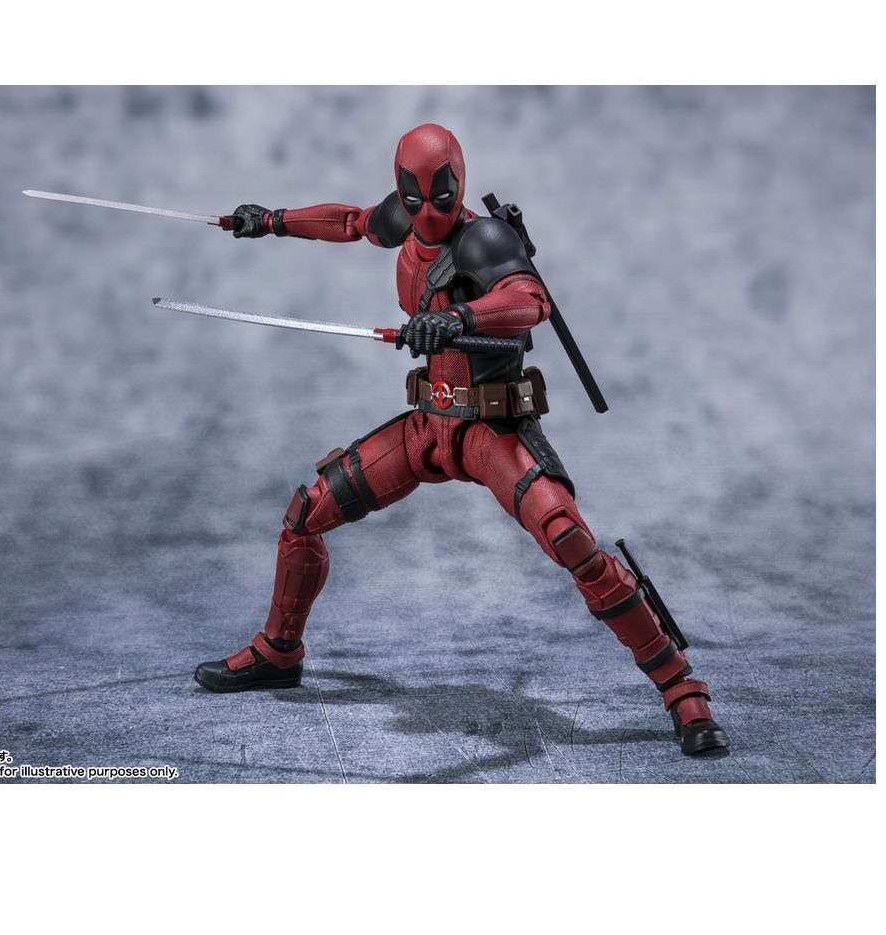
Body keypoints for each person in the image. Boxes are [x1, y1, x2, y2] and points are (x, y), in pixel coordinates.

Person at [194, 123, 728, 756]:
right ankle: (280, 651)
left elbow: (529, 300)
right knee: (306, 513)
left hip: (489, 431)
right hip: (428, 429)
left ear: (460, 183)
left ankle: (682, 688)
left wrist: (458, 316)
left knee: (570, 538)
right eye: (413, 198)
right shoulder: (403, 217)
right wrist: (270, 221)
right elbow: (350, 222)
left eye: (440, 197)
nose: (426, 212)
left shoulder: (484, 240)